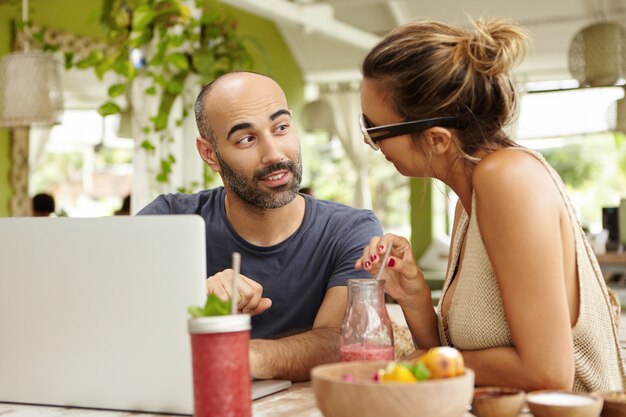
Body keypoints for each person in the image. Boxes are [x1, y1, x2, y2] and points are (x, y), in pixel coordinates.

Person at [355, 18, 626, 392]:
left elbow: (547, 375)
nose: (373, 145)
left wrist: (416, 361)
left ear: (436, 139)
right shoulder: (470, 202)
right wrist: (414, 295)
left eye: (374, 130)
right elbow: (462, 369)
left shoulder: (508, 179)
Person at [138, 71, 383, 381]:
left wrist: (235, 356)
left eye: (281, 128)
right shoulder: (168, 220)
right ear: (209, 154)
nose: (274, 154)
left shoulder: (351, 230)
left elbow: (341, 341)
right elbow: (112, 315)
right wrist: (191, 298)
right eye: (246, 139)